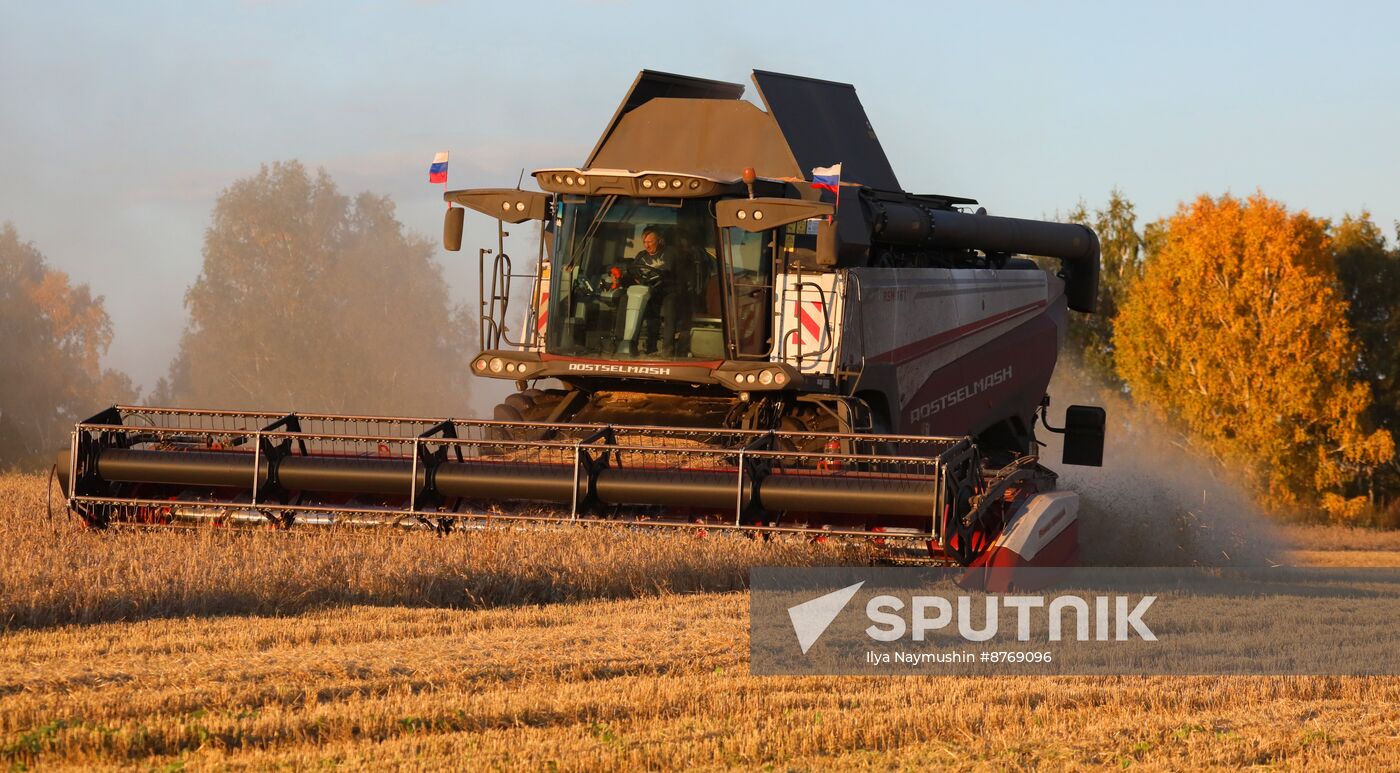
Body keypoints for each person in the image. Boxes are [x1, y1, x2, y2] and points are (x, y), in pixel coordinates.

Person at [615, 227, 676, 356]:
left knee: (671, 303)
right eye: (645, 242)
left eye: (650, 242)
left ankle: (667, 348)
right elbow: (633, 272)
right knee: (625, 298)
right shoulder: (641, 256)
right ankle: (623, 343)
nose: (647, 245)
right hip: (645, 292)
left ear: (660, 241)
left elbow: (669, 272)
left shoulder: (670, 253)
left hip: (663, 291)